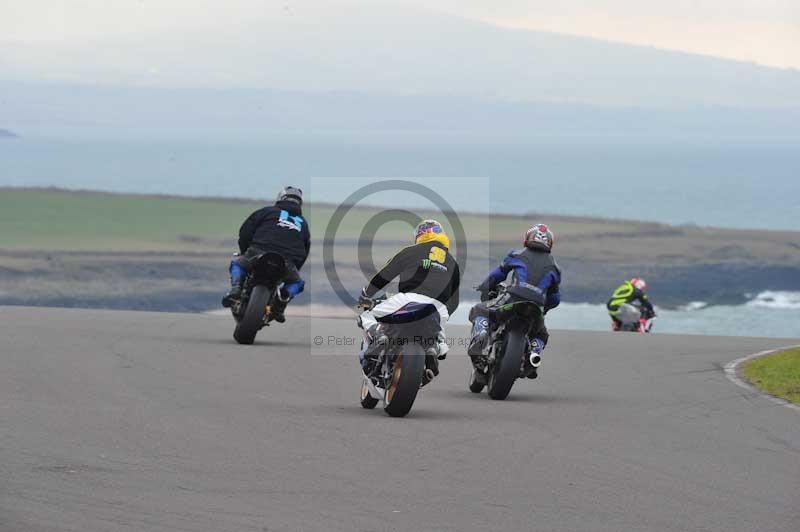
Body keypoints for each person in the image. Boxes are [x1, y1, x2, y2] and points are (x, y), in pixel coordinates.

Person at [357, 219, 460, 384]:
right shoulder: (453, 263)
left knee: (367, 316)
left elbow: (385, 274)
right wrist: (443, 317)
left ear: (421, 235)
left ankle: (380, 335)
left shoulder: (411, 251)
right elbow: (454, 302)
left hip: (408, 299)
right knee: (440, 342)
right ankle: (432, 349)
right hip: (438, 310)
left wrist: (366, 294)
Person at [468, 223, 561, 379]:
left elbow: (497, 276)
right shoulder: (555, 268)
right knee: (541, 334)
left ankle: (480, 336)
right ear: (549, 243)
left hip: (512, 298)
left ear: (527, 238)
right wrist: (543, 308)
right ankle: (534, 354)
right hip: (536, 306)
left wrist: (484, 288)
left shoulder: (517, 255)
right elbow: (554, 299)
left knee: (481, 310)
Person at [222, 186, 310, 323]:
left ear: (281, 198)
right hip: (286, 261)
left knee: (237, 263)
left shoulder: (266, 212)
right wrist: (294, 268)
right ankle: (282, 301)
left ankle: (236, 289)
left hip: (258, 251)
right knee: (297, 283)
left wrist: (245, 251)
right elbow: (304, 250)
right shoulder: (303, 223)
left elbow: (245, 231)